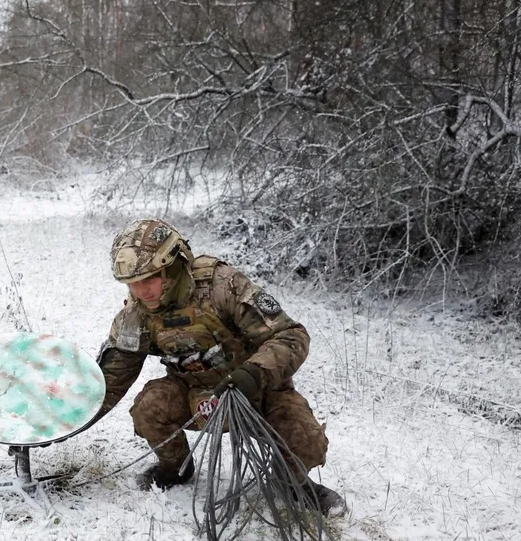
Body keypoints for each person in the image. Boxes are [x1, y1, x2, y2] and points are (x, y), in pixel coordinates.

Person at [94, 218, 346, 516]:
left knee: (305, 440)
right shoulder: (136, 314)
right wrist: (63, 423)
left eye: (149, 279)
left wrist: (252, 375)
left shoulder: (221, 286)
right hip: (195, 395)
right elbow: (112, 378)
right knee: (150, 407)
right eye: (132, 284)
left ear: (173, 267)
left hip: (256, 390)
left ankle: (293, 483)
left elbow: (291, 335)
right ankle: (175, 469)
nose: (140, 291)